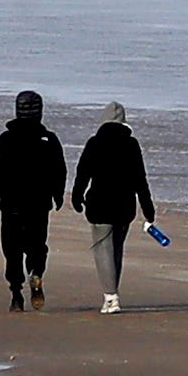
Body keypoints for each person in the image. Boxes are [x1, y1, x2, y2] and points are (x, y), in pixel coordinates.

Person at [0, 89, 66, 311]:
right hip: (38, 205)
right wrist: (58, 195)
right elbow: (59, 171)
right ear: (40, 112)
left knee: (12, 250)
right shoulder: (49, 139)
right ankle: (36, 272)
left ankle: (16, 293)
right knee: (37, 246)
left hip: (11, 205)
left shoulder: (6, 139)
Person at [72, 102, 156, 313]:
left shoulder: (94, 143)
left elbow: (83, 172)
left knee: (103, 248)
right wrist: (148, 209)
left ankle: (111, 297)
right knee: (116, 249)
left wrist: (76, 196)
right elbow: (140, 180)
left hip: (99, 204)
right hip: (124, 205)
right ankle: (112, 294)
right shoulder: (132, 145)